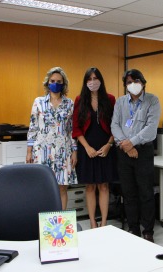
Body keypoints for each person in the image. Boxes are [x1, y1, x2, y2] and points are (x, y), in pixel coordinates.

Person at [111, 69, 161, 243]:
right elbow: (114, 125)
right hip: (124, 152)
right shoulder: (120, 102)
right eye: (128, 82)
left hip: (143, 151)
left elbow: (151, 128)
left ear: (143, 82)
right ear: (125, 85)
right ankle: (133, 228)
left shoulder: (152, 101)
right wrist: (126, 145)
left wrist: (131, 142)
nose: (132, 85)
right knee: (129, 192)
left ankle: (148, 230)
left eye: (136, 81)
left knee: (146, 192)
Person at [26, 66, 78, 210]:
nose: (55, 83)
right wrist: (29, 151)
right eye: (53, 80)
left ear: (63, 84)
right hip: (42, 151)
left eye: (59, 81)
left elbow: (72, 130)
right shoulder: (38, 102)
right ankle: (43, 225)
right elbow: (33, 127)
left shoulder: (70, 104)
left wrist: (75, 151)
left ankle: (60, 223)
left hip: (63, 151)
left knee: (62, 189)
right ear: (48, 83)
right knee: (42, 188)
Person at [72, 67, 117, 229]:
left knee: (104, 186)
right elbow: (76, 128)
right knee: (90, 186)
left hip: (106, 148)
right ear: (85, 82)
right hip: (87, 149)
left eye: (95, 78)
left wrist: (109, 145)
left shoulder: (110, 99)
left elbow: (116, 126)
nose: (92, 82)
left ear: (101, 80)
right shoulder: (80, 100)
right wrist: (86, 147)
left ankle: (104, 222)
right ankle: (92, 221)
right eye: (89, 79)